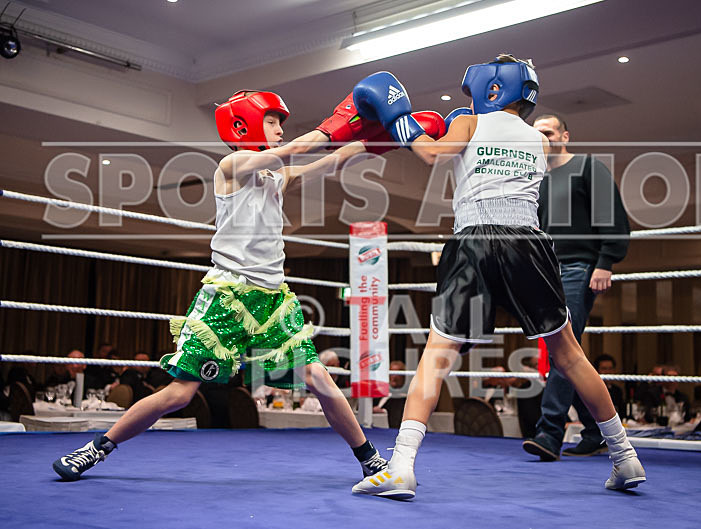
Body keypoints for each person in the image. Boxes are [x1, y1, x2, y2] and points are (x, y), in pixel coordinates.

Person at [52, 90, 396, 482]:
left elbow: (331, 160)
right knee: (180, 393)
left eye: (280, 121)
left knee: (318, 376)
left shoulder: (276, 176)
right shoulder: (232, 165)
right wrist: (337, 120)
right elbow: (296, 149)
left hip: (273, 300)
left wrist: (379, 138)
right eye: (272, 120)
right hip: (228, 297)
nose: (280, 129)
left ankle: (369, 459)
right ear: (244, 125)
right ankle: (96, 448)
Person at [348, 55, 645, 499]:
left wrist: (398, 117)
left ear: (491, 90)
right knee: (569, 355)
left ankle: (401, 466)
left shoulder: (468, 124)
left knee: (437, 355)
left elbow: (430, 154)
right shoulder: (538, 141)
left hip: (475, 241)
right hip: (530, 242)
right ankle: (625, 457)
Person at [521, 113, 629, 460]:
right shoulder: (534, 177)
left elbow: (611, 214)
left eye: (549, 132)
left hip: (580, 267)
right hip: (545, 270)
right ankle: (595, 429)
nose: (544, 138)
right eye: (537, 133)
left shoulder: (586, 167)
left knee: (560, 351)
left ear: (565, 135)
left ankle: (550, 432)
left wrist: (605, 262)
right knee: (568, 351)